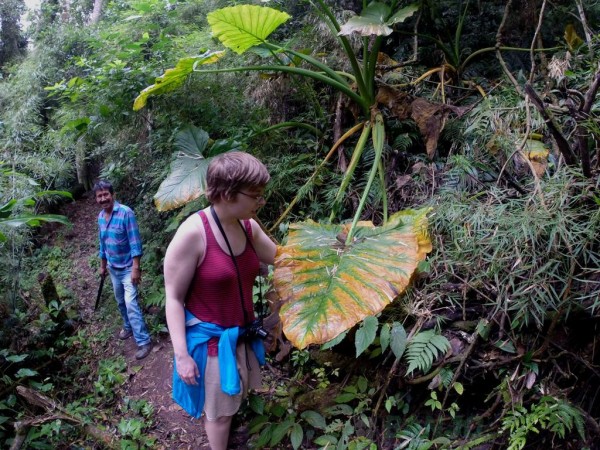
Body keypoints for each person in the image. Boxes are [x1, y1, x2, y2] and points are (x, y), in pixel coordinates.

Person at [164, 152, 277, 450]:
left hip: (241, 334)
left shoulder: (248, 227)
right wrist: (182, 356)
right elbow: (173, 298)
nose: (259, 202)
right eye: (255, 196)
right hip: (212, 343)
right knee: (219, 415)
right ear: (228, 194)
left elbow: (282, 258)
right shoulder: (193, 234)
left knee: (235, 398)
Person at [94, 180, 153, 360]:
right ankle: (128, 327)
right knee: (120, 301)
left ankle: (144, 341)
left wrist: (136, 268)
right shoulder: (100, 217)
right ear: (96, 199)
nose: (103, 198)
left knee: (130, 303)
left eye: (106, 194)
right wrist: (103, 266)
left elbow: (135, 242)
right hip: (113, 268)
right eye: (99, 196)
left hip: (128, 268)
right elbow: (103, 244)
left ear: (113, 195)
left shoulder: (126, 213)